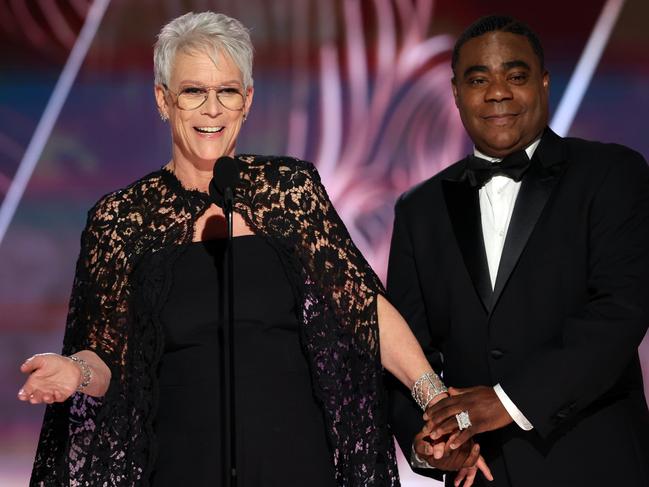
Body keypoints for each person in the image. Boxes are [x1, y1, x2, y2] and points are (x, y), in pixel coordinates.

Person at [16, 11, 492, 487]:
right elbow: (108, 358)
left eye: (226, 91)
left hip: (295, 462)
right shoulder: (121, 218)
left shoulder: (289, 189)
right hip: (183, 467)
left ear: (247, 101)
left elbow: (363, 307)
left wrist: (435, 398)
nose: (212, 109)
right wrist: (75, 370)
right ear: (163, 100)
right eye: (193, 91)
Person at [386, 14, 649, 487]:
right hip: (481, 477)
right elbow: (407, 352)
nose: (497, 92)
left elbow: (621, 311)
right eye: (478, 79)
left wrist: (506, 401)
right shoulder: (419, 209)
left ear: (544, 82)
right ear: (455, 93)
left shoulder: (612, 174)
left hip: (594, 466)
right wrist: (425, 446)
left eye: (516, 75)